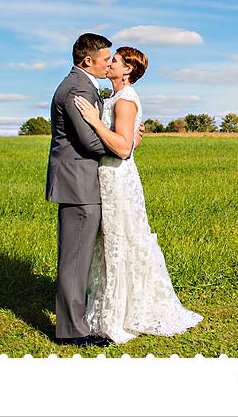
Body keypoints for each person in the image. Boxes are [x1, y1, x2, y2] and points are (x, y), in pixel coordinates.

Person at [74, 46, 203, 344]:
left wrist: (94, 121)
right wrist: (131, 139)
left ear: (128, 70)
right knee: (112, 243)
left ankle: (122, 314)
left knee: (123, 240)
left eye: (115, 61)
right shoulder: (114, 98)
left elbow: (121, 149)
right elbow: (127, 144)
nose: (109, 64)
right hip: (108, 176)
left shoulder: (126, 100)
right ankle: (113, 306)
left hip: (118, 179)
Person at [45, 33, 143, 348]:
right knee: (75, 259)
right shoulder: (76, 88)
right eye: (105, 59)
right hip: (78, 184)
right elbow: (89, 141)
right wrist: (124, 145)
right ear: (88, 61)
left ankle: (84, 320)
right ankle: (72, 332)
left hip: (87, 182)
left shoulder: (87, 87)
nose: (107, 64)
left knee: (83, 258)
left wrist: (127, 141)